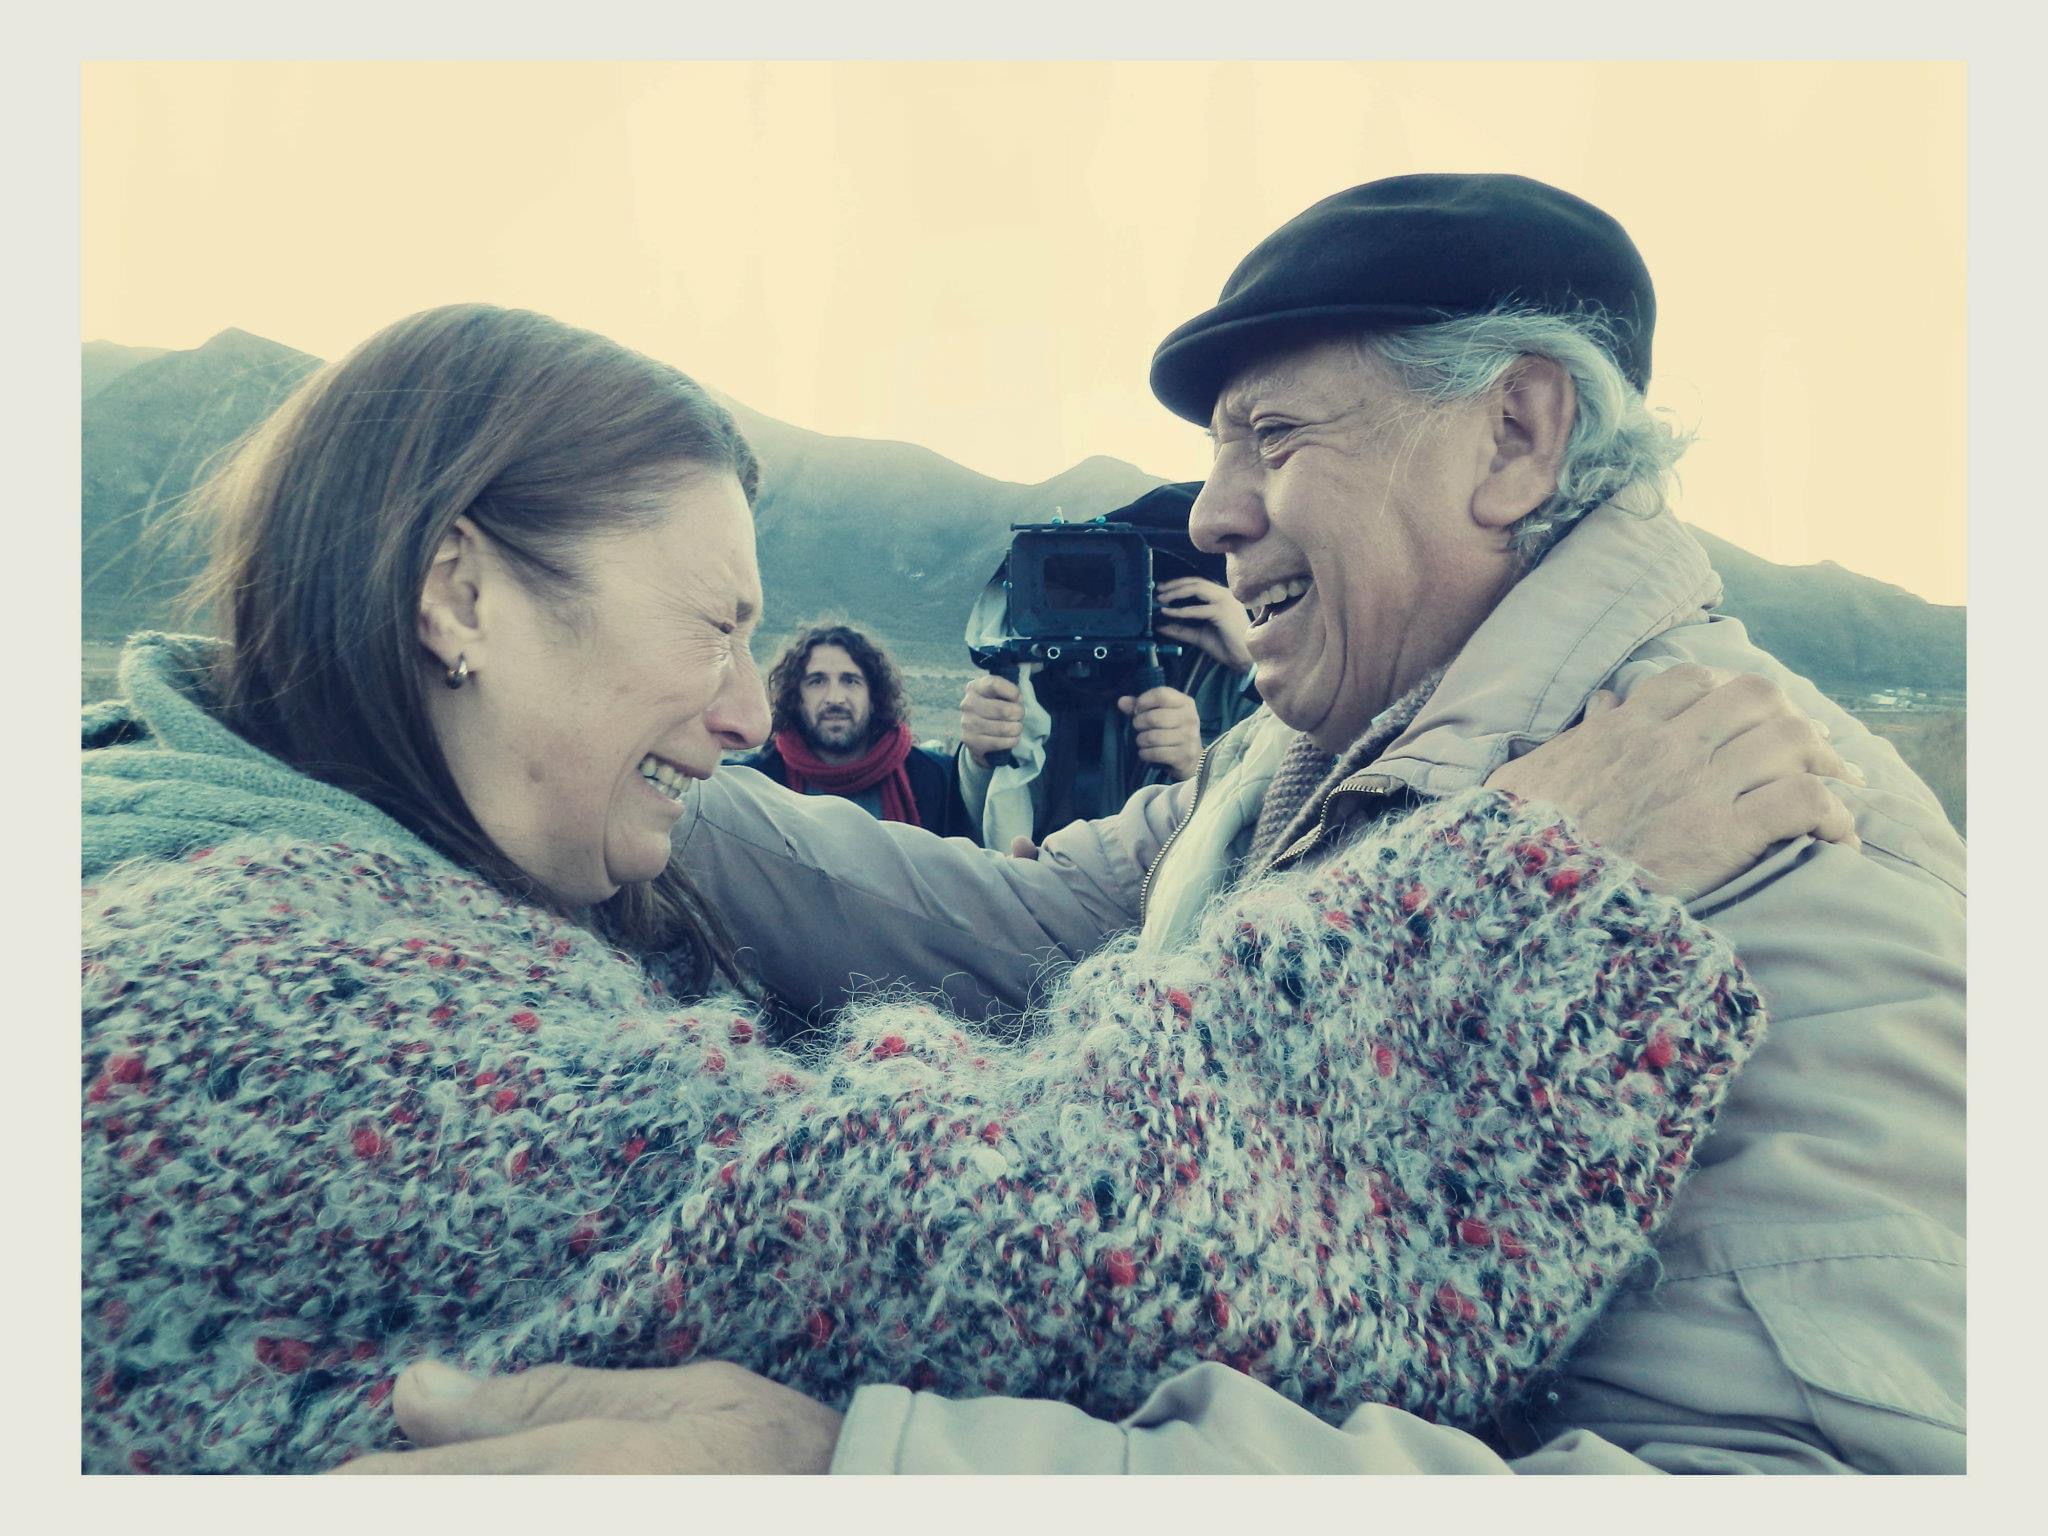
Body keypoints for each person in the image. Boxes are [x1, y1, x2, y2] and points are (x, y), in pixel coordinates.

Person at [79, 304, 1848, 1476]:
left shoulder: (272, 862)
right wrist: (1535, 890)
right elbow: (1005, 1226)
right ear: (457, 593)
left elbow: (994, 954)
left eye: (1273, 440)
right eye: (713, 627)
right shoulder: (240, 990)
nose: (748, 710)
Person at [447, 173, 1963, 1475]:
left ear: (1514, 436)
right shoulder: (1296, 760)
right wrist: (584, 763)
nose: (1212, 514)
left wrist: (888, 1462)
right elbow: (1001, 924)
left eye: (1274, 438)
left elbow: (1779, 1478)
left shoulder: (1786, 849)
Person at [956, 482, 1263, 849]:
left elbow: (1278, 816)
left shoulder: (1227, 673)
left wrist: (1197, 763)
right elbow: (985, 826)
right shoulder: (1033, 670)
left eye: (1144, 584)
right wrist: (979, 757)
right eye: (1085, 589)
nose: (1103, 610)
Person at [737, 622, 970, 835]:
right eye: (817, 681)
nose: (835, 698)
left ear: (874, 697)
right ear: (796, 697)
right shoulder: (754, 786)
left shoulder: (939, 779)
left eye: (850, 681)